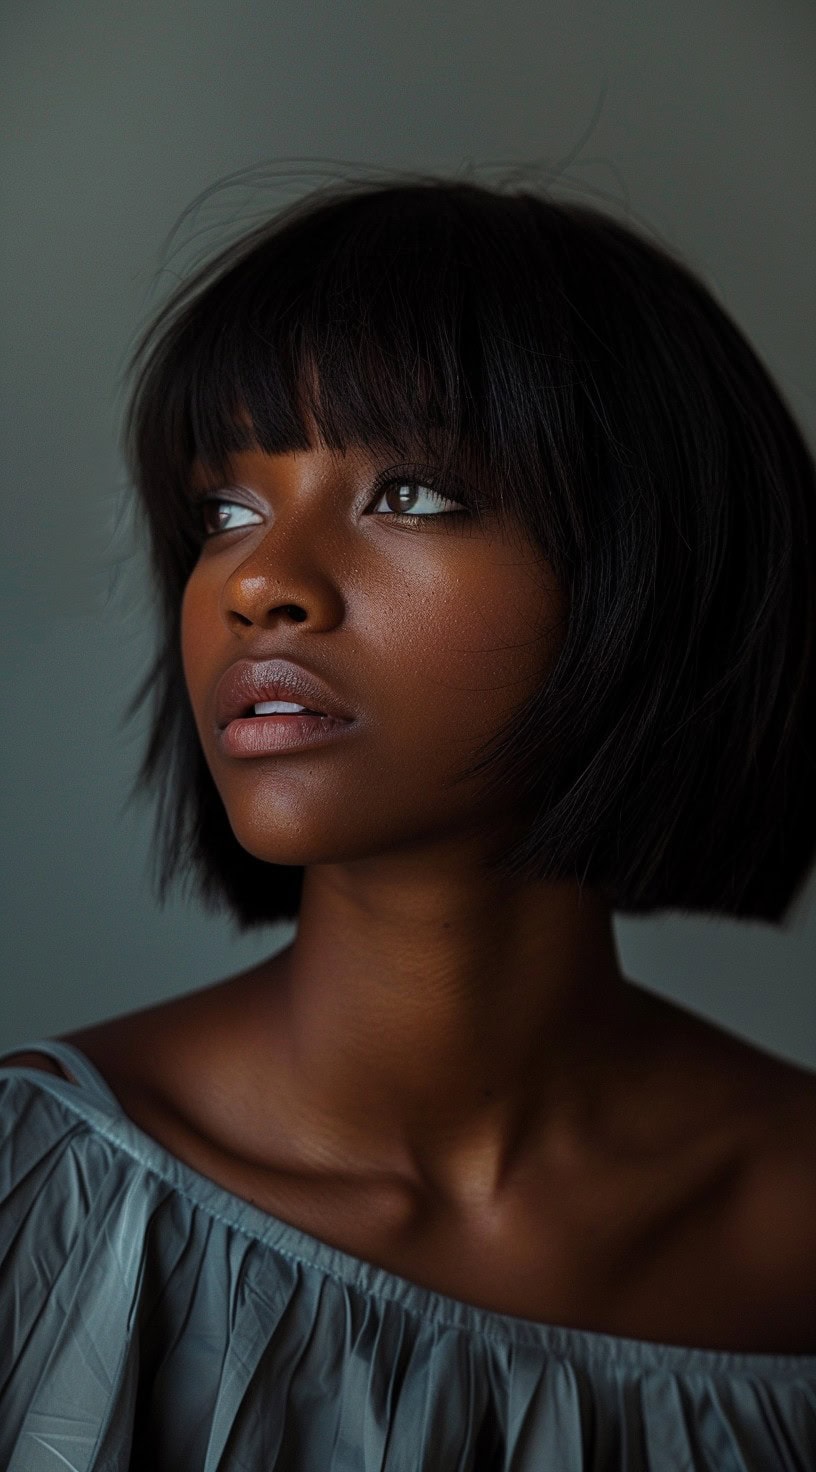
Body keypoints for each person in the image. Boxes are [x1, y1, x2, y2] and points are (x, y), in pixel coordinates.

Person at [1, 171, 815, 1470]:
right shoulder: (31, 1191)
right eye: (224, 509)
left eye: (414, 494)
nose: (258, 581)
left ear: (646, 567)